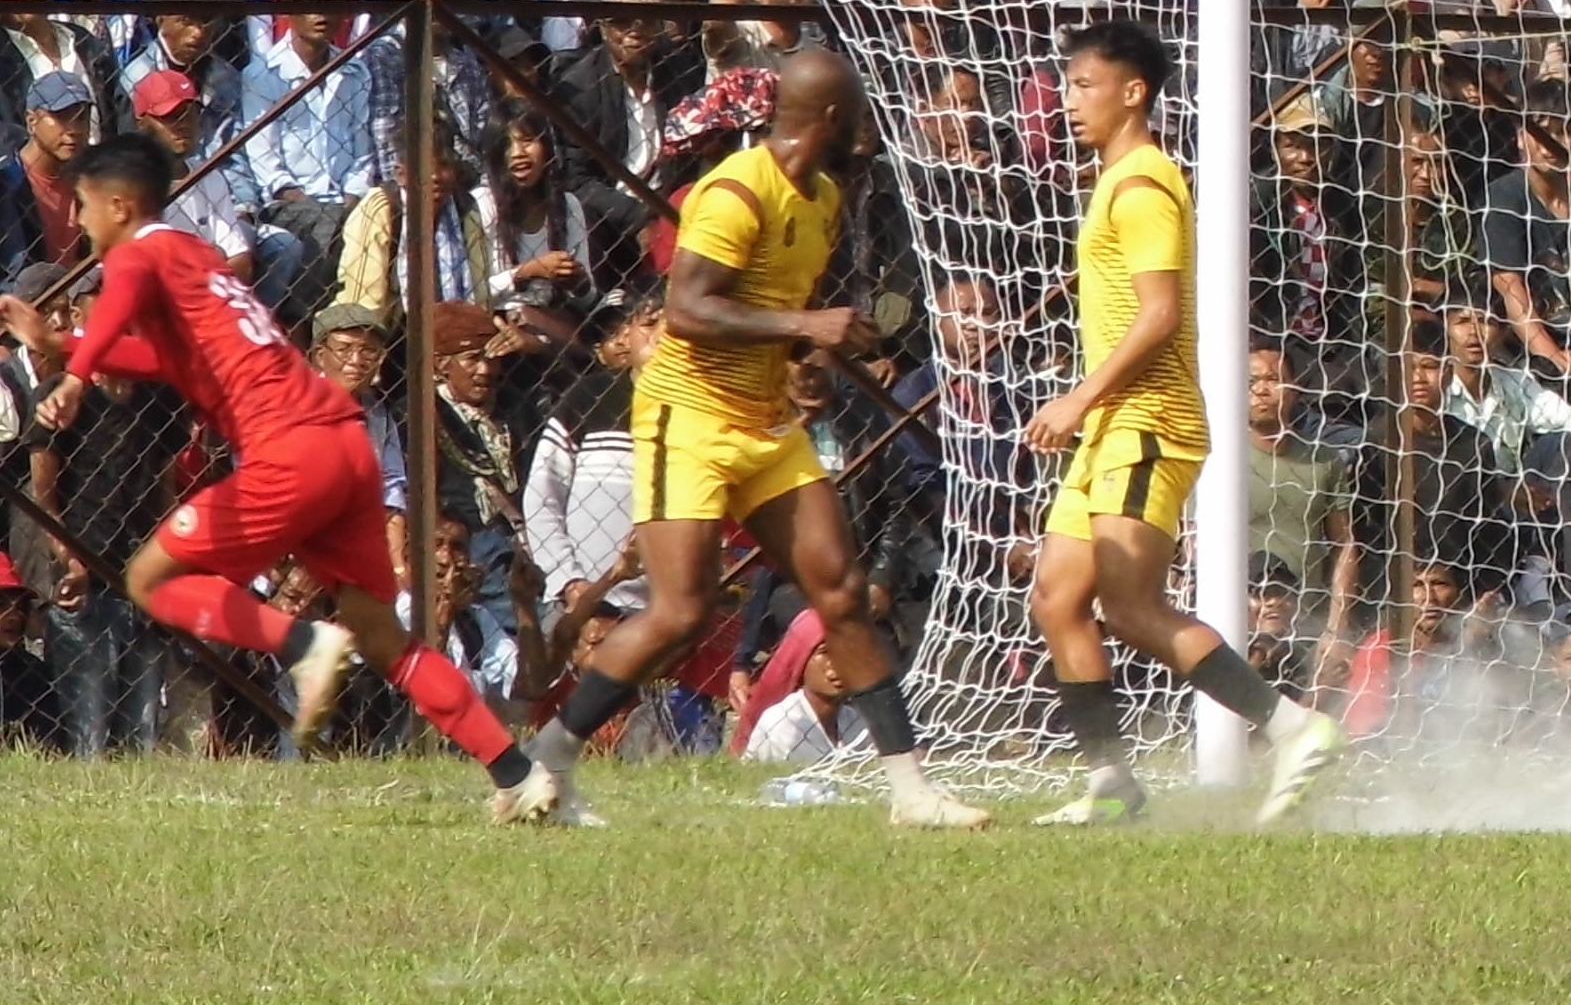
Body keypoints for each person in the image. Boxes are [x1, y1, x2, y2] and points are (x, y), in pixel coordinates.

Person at [0, 137, 552, 818]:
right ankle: (516, 771)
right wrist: (58, 344)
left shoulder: (144, 250)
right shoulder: (199, 263)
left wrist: (75, 377)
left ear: (119, 204)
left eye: (83, 206)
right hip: (344, 447)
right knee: (383, 637)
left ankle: (301, 642)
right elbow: (171, 361)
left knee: (149, 579)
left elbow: (122, 312)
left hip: (288, 451)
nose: (80, 223)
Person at [520, 46, 987, 828]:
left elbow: (785, 301)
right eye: (861, 114)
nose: (871, 129)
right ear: (831, 117)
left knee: (840, 589)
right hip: (689, 419)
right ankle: (549, 759)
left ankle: (911, 792)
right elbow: (692, 309)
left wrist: (824, 339)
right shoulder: (734, 191)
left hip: (766, 419)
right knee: (680, 609)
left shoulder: (826, 195)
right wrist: (806, 323)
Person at [1020, 19, 1344, 825]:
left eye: (1085, 84)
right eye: (1067, 84)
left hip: (1148, 421)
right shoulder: (1114, 179)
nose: (1070, 101)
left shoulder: (1143, 183)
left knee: (1129, 606)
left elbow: (1160, 314)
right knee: (1058, 598)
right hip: (1111, 427)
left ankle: (1291, 725)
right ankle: (1110, 783)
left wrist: (1077, 396)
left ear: (1133, 91)